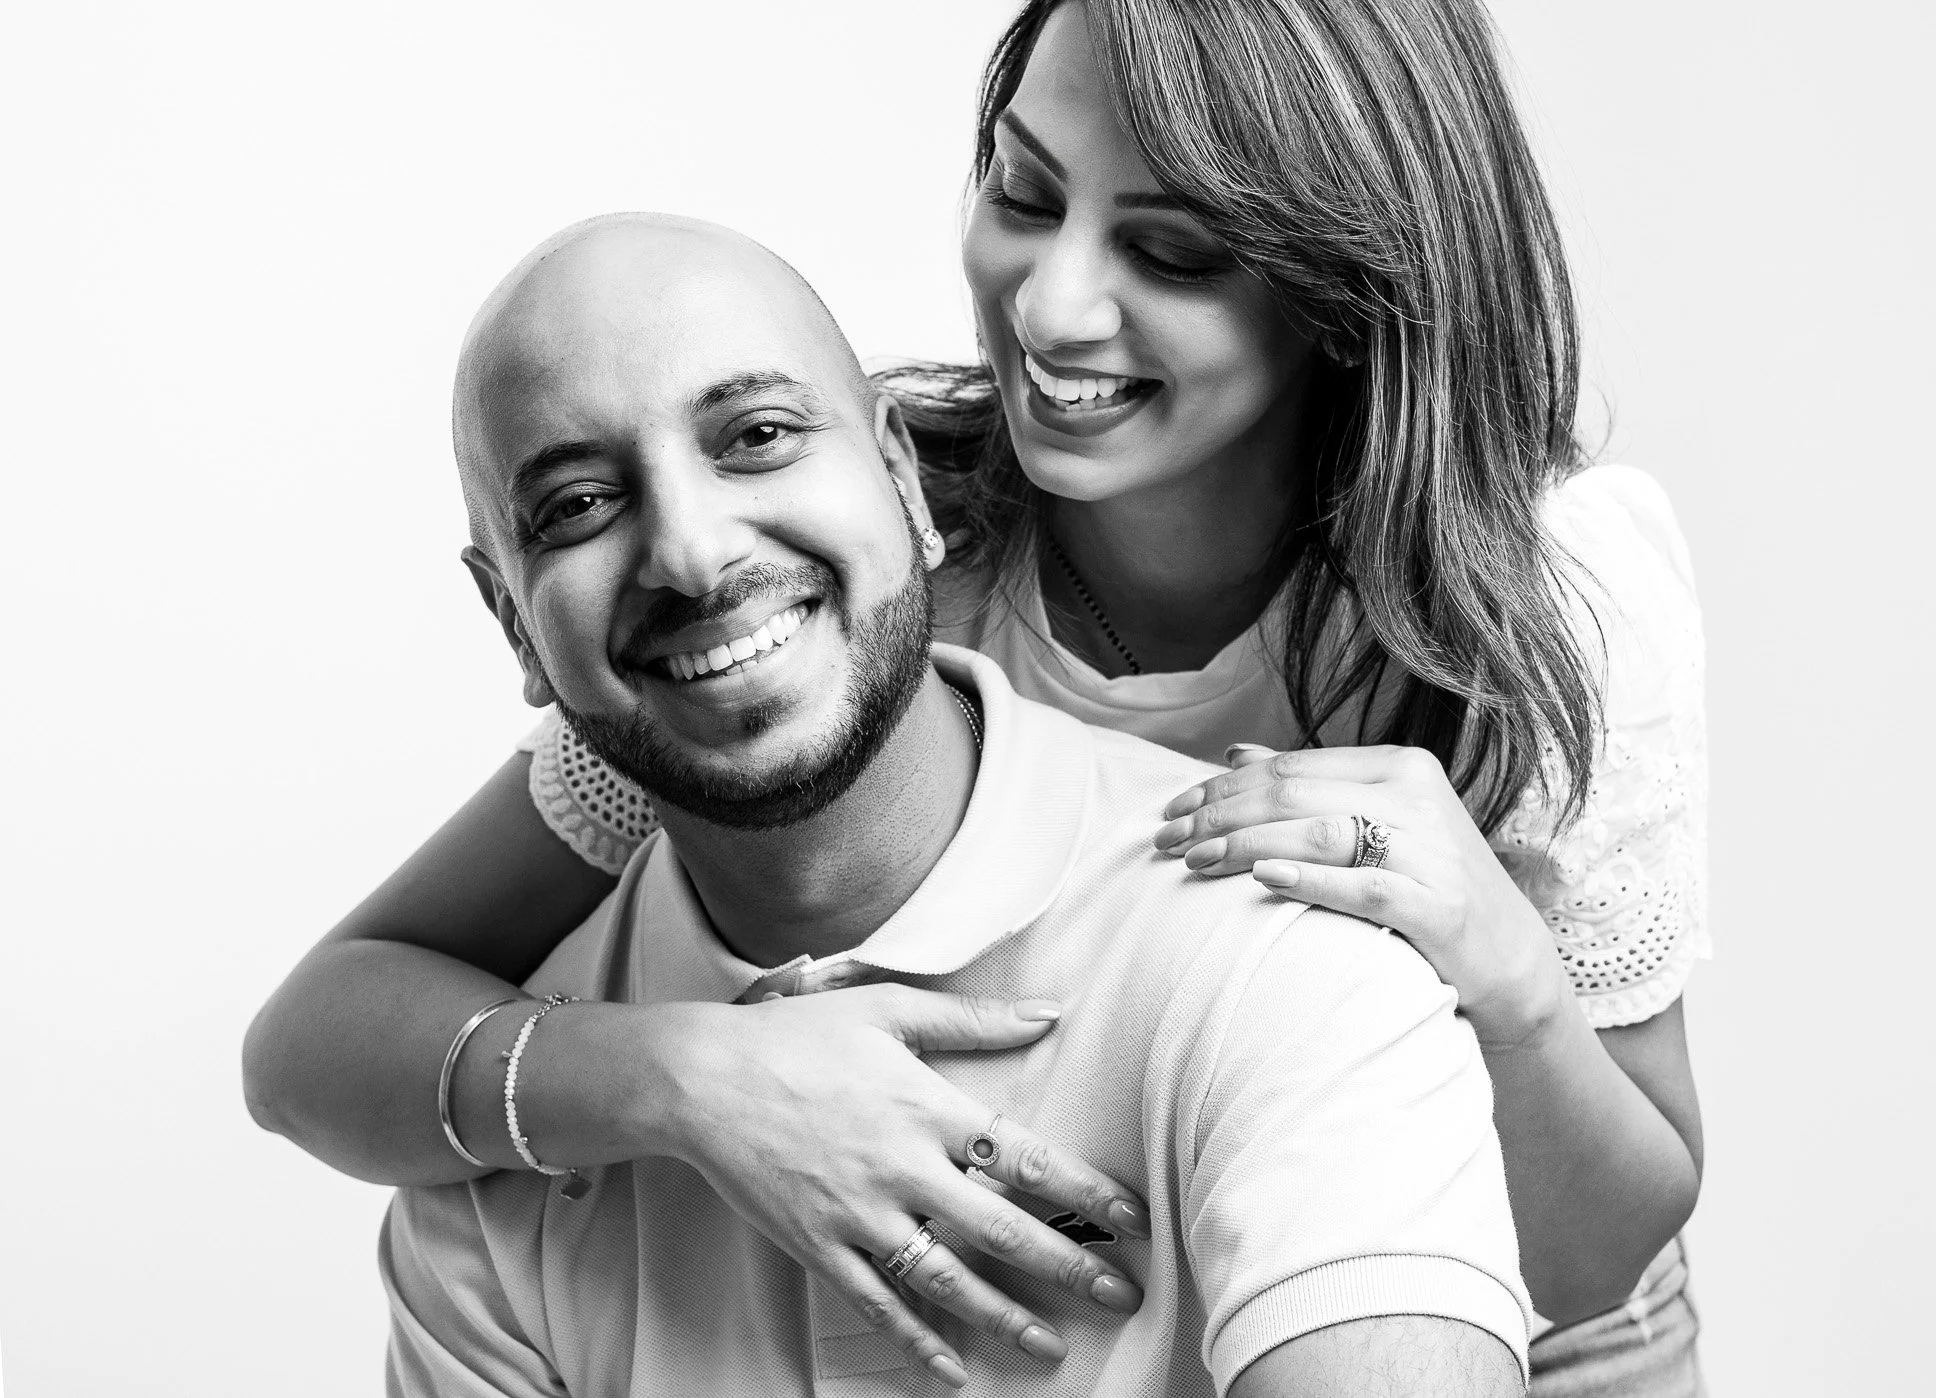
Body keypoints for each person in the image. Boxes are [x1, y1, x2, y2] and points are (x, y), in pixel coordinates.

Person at [247, 1, 1708, 1390]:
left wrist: (1495, 963)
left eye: (1175, 251)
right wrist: (697, 1077)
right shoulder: (860, 578)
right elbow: (321, 1033)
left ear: (1345, 284)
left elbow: (1598, 1249)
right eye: (1024, 187)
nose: (1054, 304)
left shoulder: (1539, 591)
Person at [384, 209, 1530, 1397]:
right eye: (575, 505)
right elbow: (308, 1035)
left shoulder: (1282, 961)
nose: (691, 552)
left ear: (900, 477)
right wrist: (676, 1080)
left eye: (759, 435)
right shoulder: (501, 1156)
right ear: (514, 622)